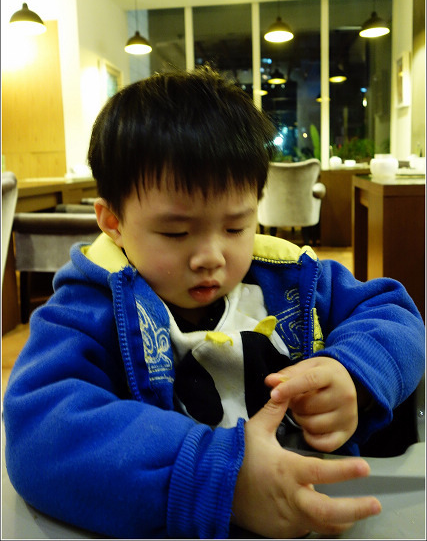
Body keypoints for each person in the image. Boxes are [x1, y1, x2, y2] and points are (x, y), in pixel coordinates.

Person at [3, 66, 424, 540]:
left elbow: (396, 314)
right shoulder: (88, 306)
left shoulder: (290, 278)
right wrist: (223, 480)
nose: (211, 257)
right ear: (113, 222)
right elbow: (39, 428)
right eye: (176, 232)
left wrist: (354, 373)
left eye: (235, 227)